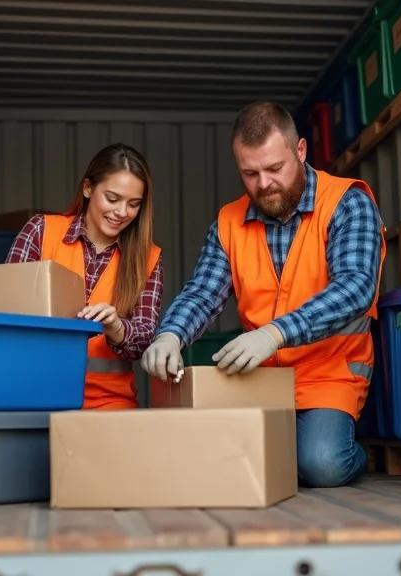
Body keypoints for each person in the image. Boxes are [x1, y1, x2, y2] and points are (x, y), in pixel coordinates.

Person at [142, 101, 385, 488]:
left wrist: (273, 334)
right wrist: (170, 334)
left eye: (275, 169)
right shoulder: (228, 221)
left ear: (300, 151)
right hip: (258, 378)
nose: (264, 184)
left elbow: (355, 287)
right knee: (211, 457)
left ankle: (357, 448)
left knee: (321, 464)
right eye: (250, 173)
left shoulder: (347, 202)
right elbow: (204, 292)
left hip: (328, 372)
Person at [7, 143, 163, 410]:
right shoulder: (42, 232)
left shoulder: (148, 257)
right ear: (88, 188)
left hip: (109, 402)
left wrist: (117, 328)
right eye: (112, 198)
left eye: (133, 204)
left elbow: (144, 338)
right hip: (35, 392)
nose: (122, 212)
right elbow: (6, 309)